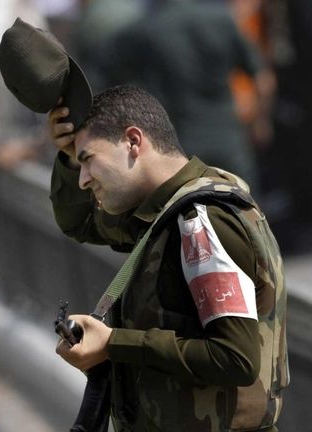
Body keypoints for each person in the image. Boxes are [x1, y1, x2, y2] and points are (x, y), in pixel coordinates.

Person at [48, 85, 288, 431]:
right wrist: (68, 155)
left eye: (87, 160)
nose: (83, 180)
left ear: (133, 141)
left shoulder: (200, 222)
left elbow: (235, 357)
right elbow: (81, 223)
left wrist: (114, 343)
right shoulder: (165, 213)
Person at [98, 0, 272, 191]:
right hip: (229, 140)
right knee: (245, 210)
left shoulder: (145, 29)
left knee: (188, 215)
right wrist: (261, 122)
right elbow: (264, 79)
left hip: (179, 145)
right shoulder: (221, 19)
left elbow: (104, 72)